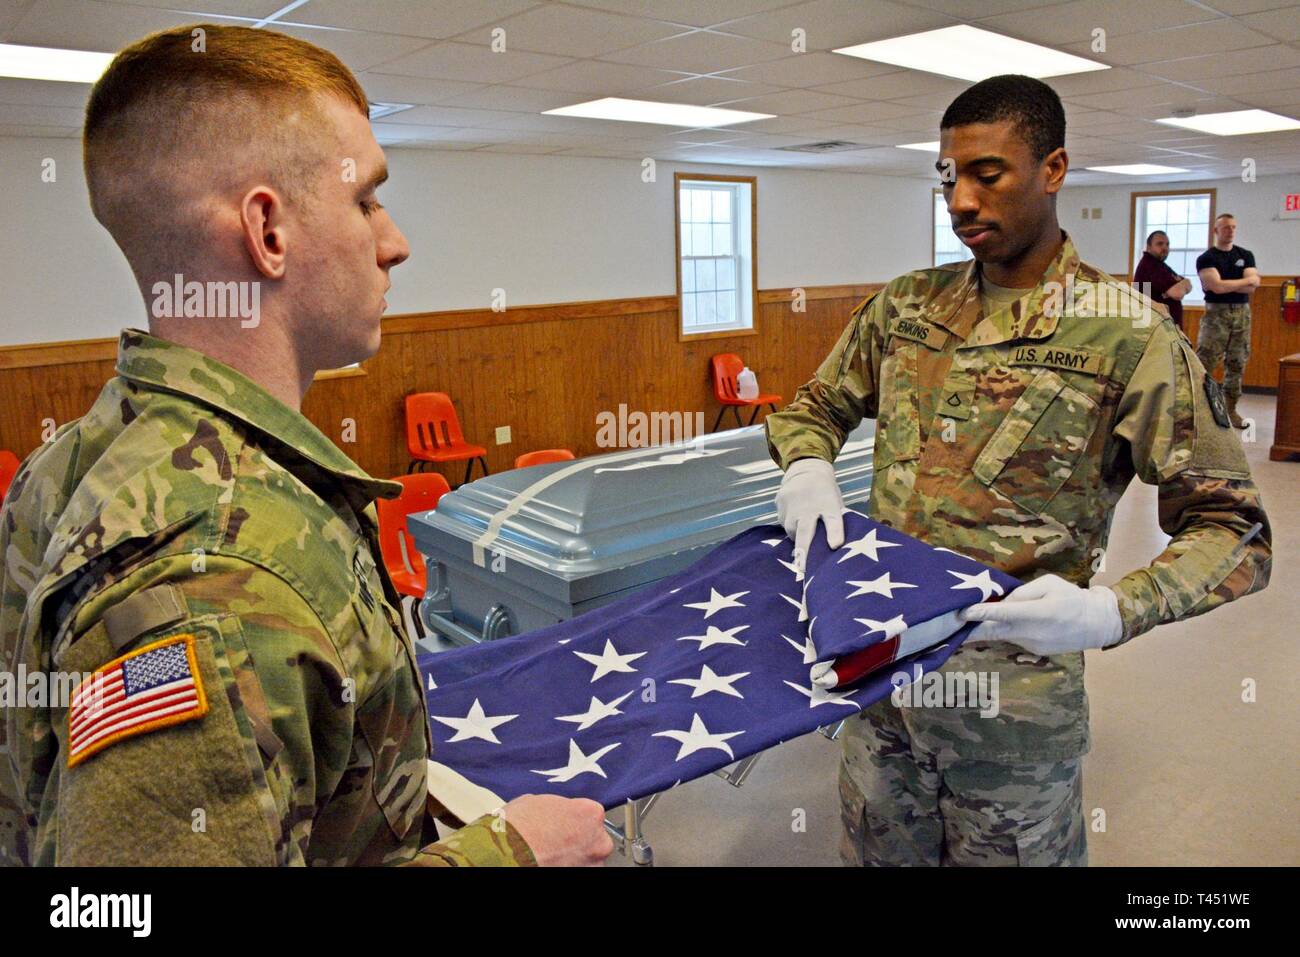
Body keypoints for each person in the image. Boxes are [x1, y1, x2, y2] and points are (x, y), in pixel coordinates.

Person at [0, 24, 613, 867]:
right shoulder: (213, 577)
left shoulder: (75, 459)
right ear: (269, 231)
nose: (394, 242)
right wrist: (510, 856)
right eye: (365, 199)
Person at [766, 75, 1271, 867]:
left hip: (1014, 721)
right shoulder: (907, 308)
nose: (961, 198)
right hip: (882, 688)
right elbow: (815, 405)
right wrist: (805, 463)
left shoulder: (1125, 336)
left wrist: (1113, 609)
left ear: (1053, 168)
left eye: (987, 174)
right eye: (947, 177)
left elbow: (1235, 528)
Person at [1196, 214, 1259, 428]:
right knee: (1206, 361)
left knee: (1237, 363)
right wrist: (1242, 281)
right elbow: (1216, 287)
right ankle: (1199, 410)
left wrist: (1227, 284)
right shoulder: (1207, 258)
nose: (1230, 231)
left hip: (1242, 313)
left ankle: (1230, 410)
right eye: (1225, 227)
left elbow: (1253, 286)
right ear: (1216, 231)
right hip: (1216, 315)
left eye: (1233, 227)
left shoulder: (1245, 255)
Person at [1132, 230, 1191, 329]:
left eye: (1167, 244)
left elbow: (1188, 285)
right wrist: (1182, 283)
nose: (1165, 247)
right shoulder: (1150, 265)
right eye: (1159, 244)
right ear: (1149, 247)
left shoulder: (1160, 265)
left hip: (1161, 327)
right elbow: (1178, 293)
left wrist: (1183, 283)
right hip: (1155, 328)